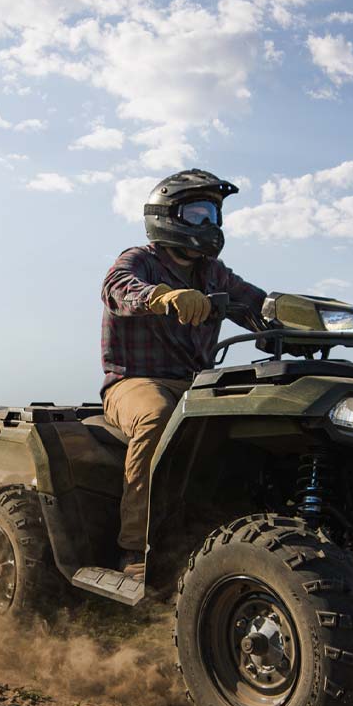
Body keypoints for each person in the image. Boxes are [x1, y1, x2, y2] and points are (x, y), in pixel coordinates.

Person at [101, 169, 268, 579]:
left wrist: (298, 317)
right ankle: (134, 549)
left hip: (198, 385)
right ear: (166, 216)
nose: (209, 224)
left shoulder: (214, 273)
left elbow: (259, 305)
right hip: (135, 381)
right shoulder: (140, 260)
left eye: (213, 214)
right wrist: (161, 296)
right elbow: (117, 288)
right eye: (197, 214)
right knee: (157, 417)